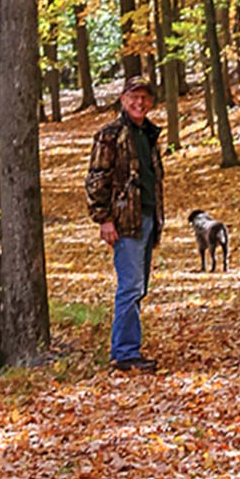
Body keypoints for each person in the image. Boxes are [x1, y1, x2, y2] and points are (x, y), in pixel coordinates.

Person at [86, 76, 165, 373]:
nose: (139, 102)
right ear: (122, 99)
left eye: (145, 97)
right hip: (124, 221)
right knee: (130, 287)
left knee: (138, 287)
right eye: (134, 97)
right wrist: (104, 218)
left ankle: (127, 348)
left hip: (147, 218)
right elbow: (96, 179)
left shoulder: (149, 134)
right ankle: (125, 353)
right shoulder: (110, 135)